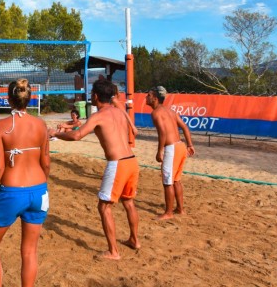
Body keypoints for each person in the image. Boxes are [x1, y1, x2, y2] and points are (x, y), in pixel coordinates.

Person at [49, 79, 140, 260]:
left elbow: (77, 135)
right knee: (128, 202)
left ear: (96, 96)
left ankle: (113, 251)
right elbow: (133, 130)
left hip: (118, 163)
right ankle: (134, 240)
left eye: (91, 94)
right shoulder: (119, 112)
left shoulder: (98, 116)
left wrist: (55, 134)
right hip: (132, 161)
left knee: (104, 207)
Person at [0, 78, 50, 287]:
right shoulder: (41, 125)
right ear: (29, 99)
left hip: (12, 191)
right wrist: (41, 186)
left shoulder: (1, 126)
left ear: (9, 99)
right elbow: (46, 163)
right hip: (39, 191)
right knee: (29, 251)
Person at [146, 86, 196, 220]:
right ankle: (180, 209)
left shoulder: (156, 113)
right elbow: (185, 127)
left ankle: (168, 212)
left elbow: (162, 133)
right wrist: (190, 144)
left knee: (167, 181)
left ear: (155, 98)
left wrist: (159, 151)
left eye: (149, 95)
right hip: (180, 146)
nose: (146, 97)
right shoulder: (170, 111)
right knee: (176, 180)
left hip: (171, 148)